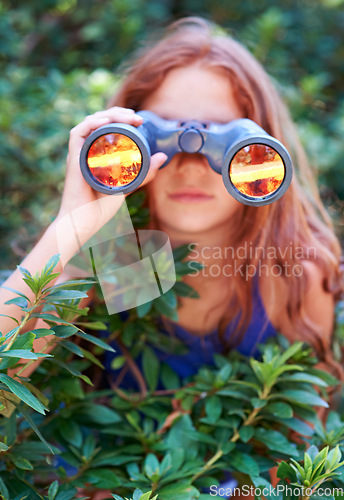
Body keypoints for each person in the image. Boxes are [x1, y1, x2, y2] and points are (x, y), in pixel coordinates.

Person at [1, 15, 343, 500]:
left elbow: (296, 468)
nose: (190, 164)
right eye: (157, 135)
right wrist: (74, 229)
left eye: (227, 141)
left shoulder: (290, 278)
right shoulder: (122, 265)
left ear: (265, 150)